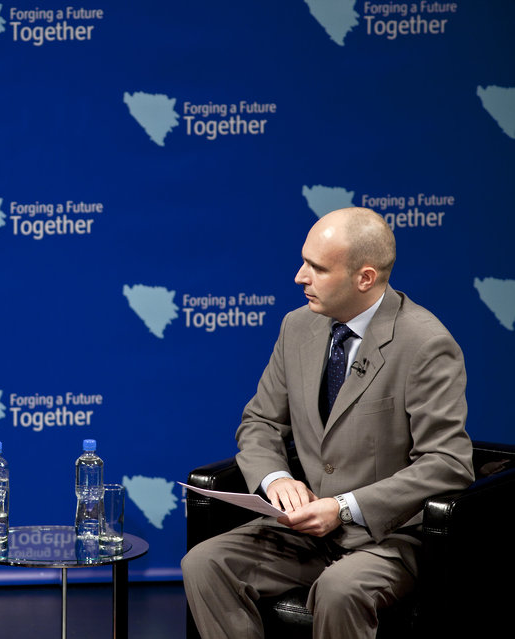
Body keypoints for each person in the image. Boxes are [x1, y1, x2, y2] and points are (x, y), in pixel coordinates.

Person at [181, 208, 474, 638]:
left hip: (387, 538)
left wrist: (343, 508)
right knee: (204, 563)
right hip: (303, 533)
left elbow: (448, 462)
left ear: (365, 278)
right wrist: (277, 478)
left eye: (317, 268)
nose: (300, 277)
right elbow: (260, 421)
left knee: (339, 590)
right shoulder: (297, 327)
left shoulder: (425, 343)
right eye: (304, 262)